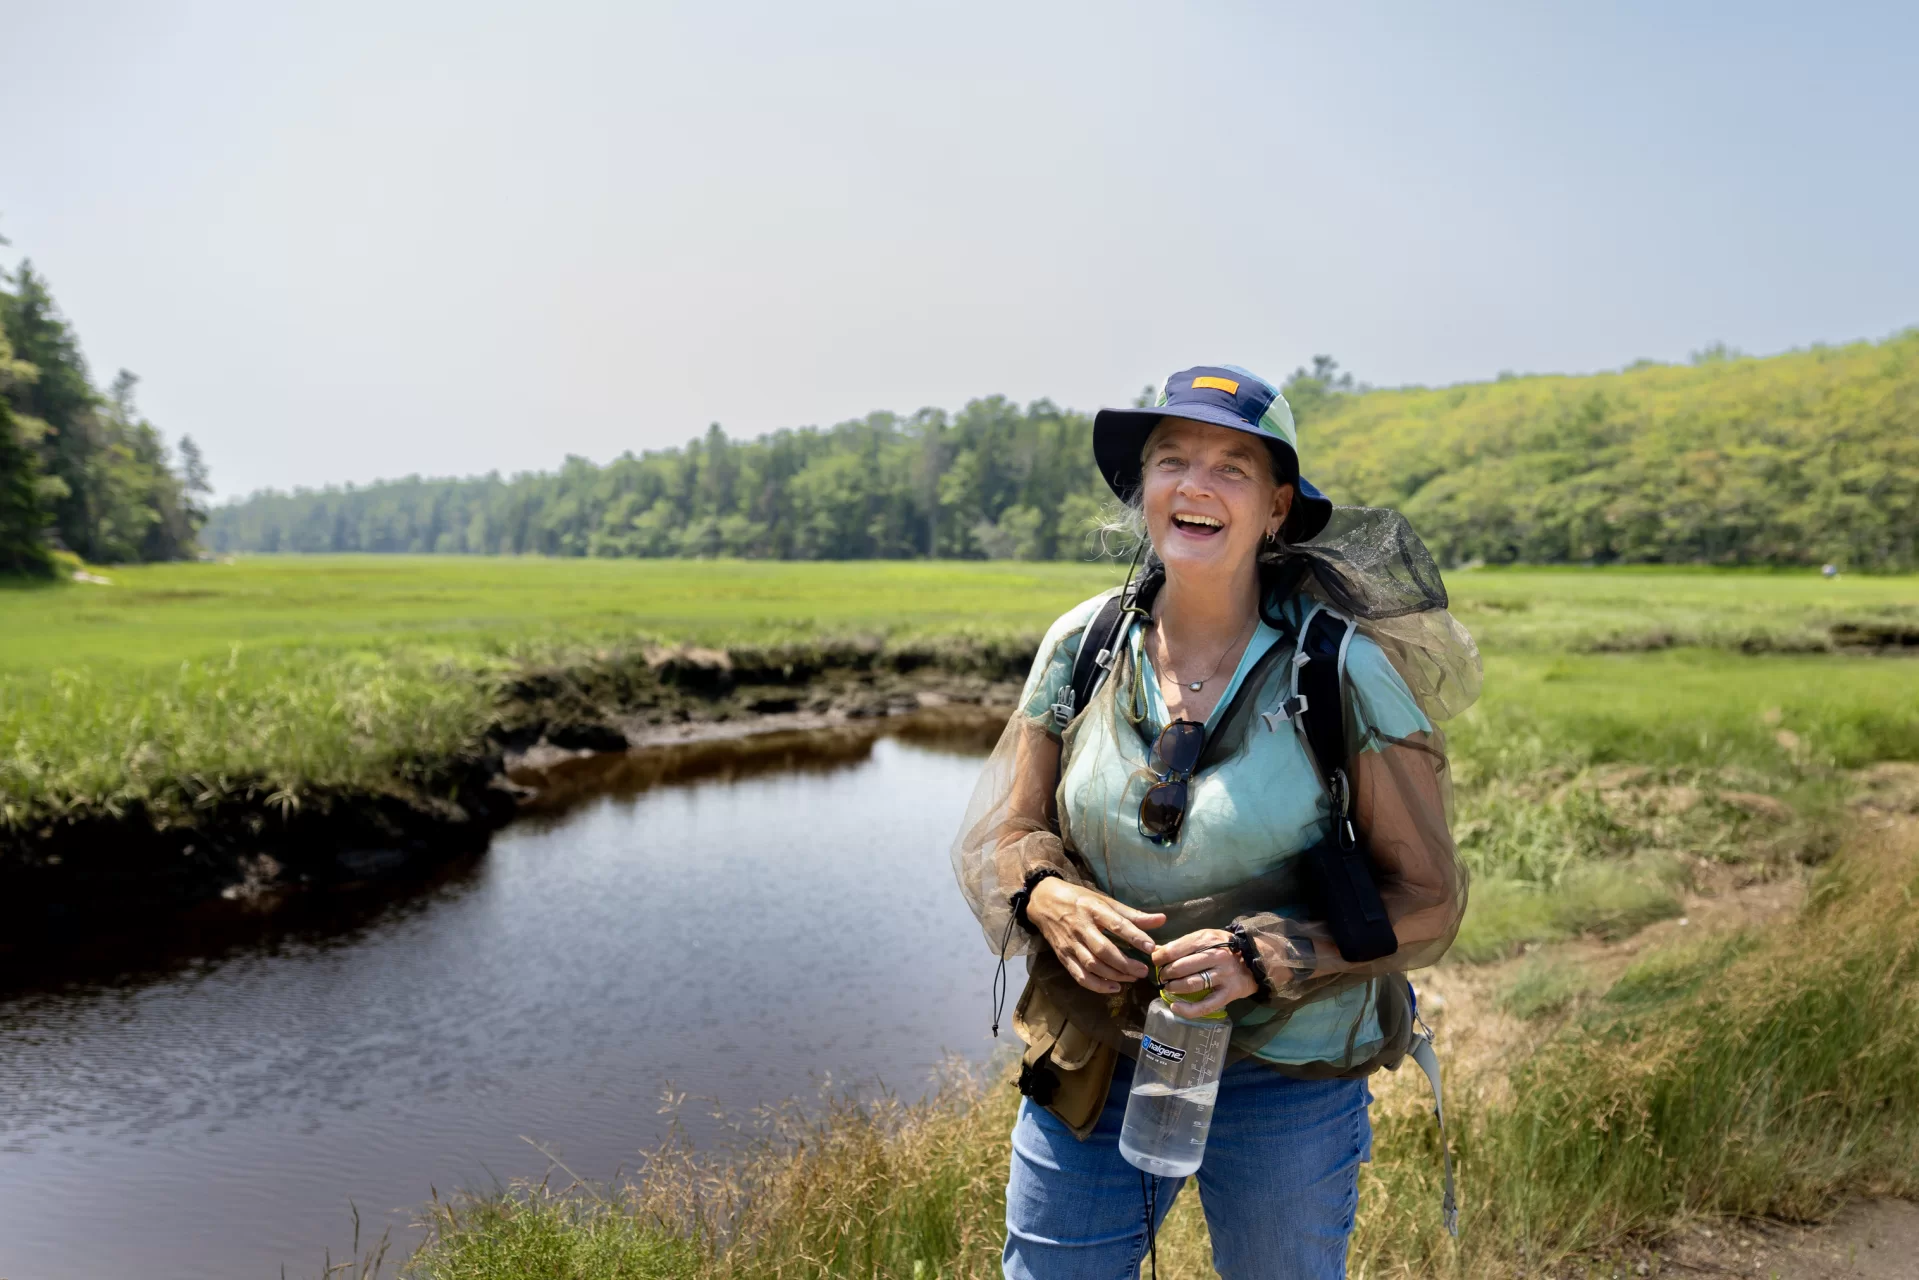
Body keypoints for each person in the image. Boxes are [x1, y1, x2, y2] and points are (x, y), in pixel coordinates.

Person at [952, 365, 1470, 1280]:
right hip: (1099, 1051)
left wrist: (1264, 956)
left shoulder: (1337, 667)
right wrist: (1045, 898)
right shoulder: (1083, 645)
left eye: (1232, 467)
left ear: (1276, 507)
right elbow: (1009, 831)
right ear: (1143, 491)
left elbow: (1426, 899)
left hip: (1287, 1077)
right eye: (1171, 460)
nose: (1195, 484)